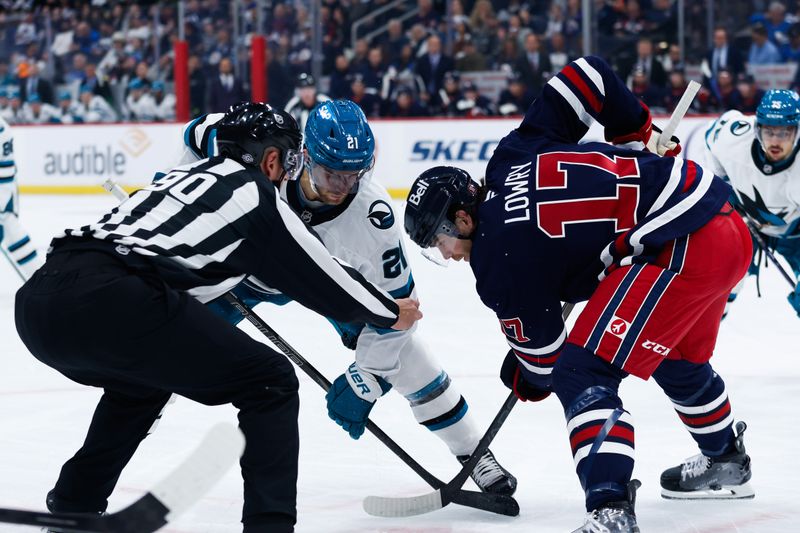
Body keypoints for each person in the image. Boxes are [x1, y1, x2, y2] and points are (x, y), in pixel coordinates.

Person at [15, 103, 421, 533]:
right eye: (287, 161)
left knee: (139, 387)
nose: (288, 172)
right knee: (270, 382)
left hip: (41, 300)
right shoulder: (256, 194)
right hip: (115, 300)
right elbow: (319, 276)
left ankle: (73, 505)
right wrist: (387, 310)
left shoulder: (177, 178)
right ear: (270, 160)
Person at [403, 56, 754, 532]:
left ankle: (610, 509)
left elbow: (547, 364)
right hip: (723, 222)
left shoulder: (495, 265)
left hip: (681, 244)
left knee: (582, 370)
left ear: (463, 218)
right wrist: (634, 133)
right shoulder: (510, 154)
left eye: (440, 241)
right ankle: (726, 459)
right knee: (673, 356)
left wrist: (526, 374)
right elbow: (588, 74)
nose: (445, 255)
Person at [178, 99, 517, 495]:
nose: (344, 187)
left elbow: (401, 310)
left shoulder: (372, 217)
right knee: (169, 343)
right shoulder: (266, 150)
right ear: (304, 156)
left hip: (318, 278)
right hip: (240, 273)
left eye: (355, 175)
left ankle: (474, 452)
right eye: (332, 175)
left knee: (407, 355)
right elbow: (195, 134)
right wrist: (174, 186)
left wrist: (367, 379)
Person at [705, 89, 800, 318]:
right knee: (722, 284)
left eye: (784, 133)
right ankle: (703, 333)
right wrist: (724, 187)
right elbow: (712, 135)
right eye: (769, 131)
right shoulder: (733, 139)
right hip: (747, 222)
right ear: (758, 128)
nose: (775, 141)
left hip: (796, 232)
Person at [1, 116, 42, 279]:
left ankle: (39, 279)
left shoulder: (1, 129)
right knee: (12, 232)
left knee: (10, 228)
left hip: (3, 195)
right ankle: (39, 278)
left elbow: (5, 177)